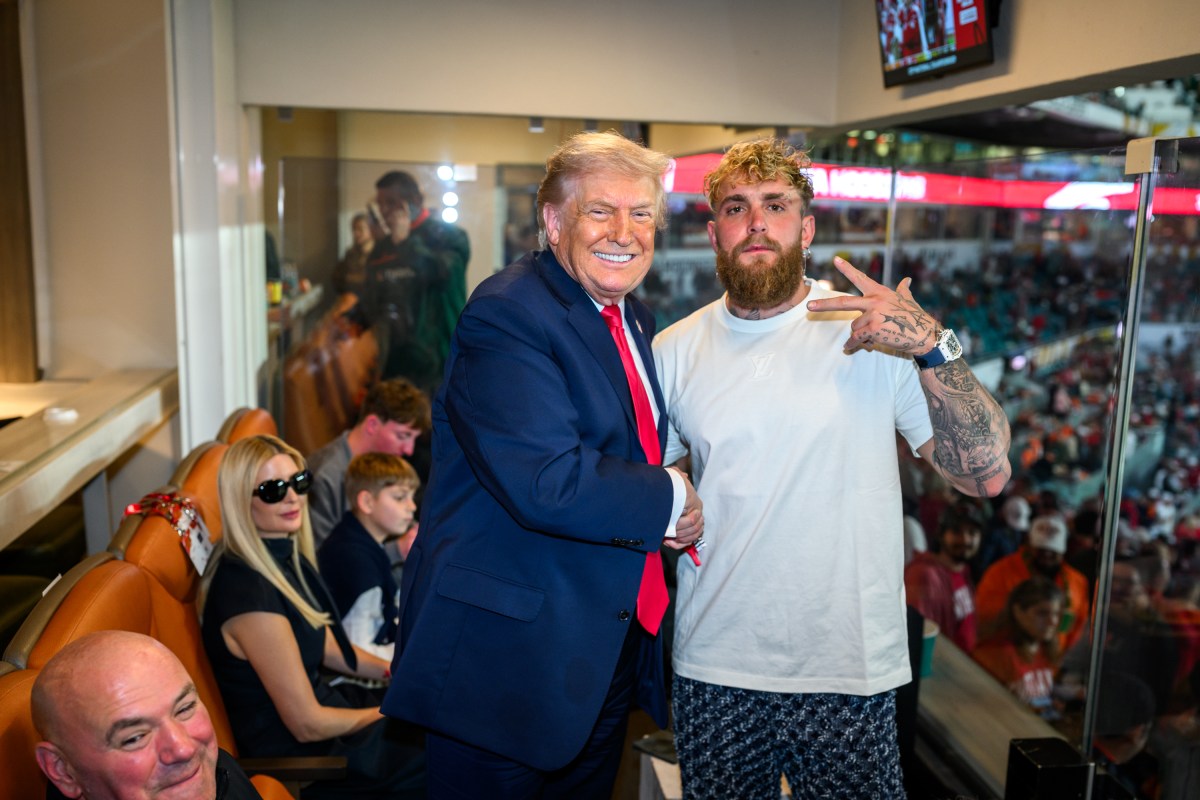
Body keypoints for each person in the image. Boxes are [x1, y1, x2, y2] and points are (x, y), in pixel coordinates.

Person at [652, 137, 1011, 799]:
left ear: (807, 228)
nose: (756, 221)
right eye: (736, 207)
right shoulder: (673, 349)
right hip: (715, 660)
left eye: (776, 205)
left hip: (848, 665)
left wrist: (934, 347)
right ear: (713, 233)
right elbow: (667, 487)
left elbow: (984, 476)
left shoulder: (877, 335)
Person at [382, 131, 704, 799]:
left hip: (589, 656)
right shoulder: (507, 314)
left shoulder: (631, 315)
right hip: (501, 669)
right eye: (600, 211)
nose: (624, 231)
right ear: (554, 221)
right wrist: (670, 498)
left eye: (641, 214)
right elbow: (547, 482)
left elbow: (621, 448)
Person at [200, 434, 424, 799]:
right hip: (309, 760)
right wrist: (390, 710)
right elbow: (307, 724)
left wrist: (396, 672)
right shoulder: (249, 596)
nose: (293, 497)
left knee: (446, 725)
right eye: (273, 489)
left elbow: (328, 648)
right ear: (242, 501)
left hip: (331, 726)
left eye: (299, 482)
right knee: (443, 752)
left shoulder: (283, 556)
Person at [31, 630, 263, 800]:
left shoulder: (218, 771)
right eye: (135, 738)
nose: (184, 749)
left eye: (184, 709)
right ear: (63, 770)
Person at [363, 169, 471, 393]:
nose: (384, 211)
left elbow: (444, 274)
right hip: (395, 358)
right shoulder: (384, 247)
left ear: (415, 201)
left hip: (438, 359)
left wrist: (406, 243)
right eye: (380, 204)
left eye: (391, 203)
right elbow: (372, 295)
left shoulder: (450, 237)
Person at [318, 452, 419, 661]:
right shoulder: (355, 559)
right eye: (400, 497)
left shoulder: (362, 542)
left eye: (412, 497)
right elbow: (358, 645)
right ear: (367, 502)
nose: (412, 506)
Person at [305, 378, 430, 546]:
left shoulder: (382, 464)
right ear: (372, 425)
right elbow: (325, 557)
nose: (409, 450)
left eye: (414, 439)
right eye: (403, 436)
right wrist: (398, 550)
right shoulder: (326, 477)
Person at [975, 514, 1091, 654]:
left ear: (1064, 549)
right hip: (1008, 659)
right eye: (1041, 548)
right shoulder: (1000, 573)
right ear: (1029, 544)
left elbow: (1078, 624)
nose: (1047, 554)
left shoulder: (1077, 582)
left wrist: (1062, 657)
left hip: (1052, 664)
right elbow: (985, 620)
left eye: (1053, 550)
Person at [971, 577, 1065, 719]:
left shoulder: (1047, 650)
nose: (1053, 621)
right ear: (1018, 612)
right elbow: (978, 708)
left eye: (1056, 614)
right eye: (1042, 613)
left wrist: (1049, 705)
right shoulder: (993, 654)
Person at [904, 500, 986, 652]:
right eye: (956, 532)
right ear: (941, 535)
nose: (965, 540)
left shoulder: (964, 571)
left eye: (972, 533)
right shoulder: (924, 575)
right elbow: (920, 637)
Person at [332, 212, 376, 297]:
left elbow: (370, 280)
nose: (356, 233)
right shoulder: (350, 253)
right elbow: (337, 277)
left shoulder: (377, 252)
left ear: (371, 230)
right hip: (349, 298)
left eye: (360, 229)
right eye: (354, 229)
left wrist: (351, 278)